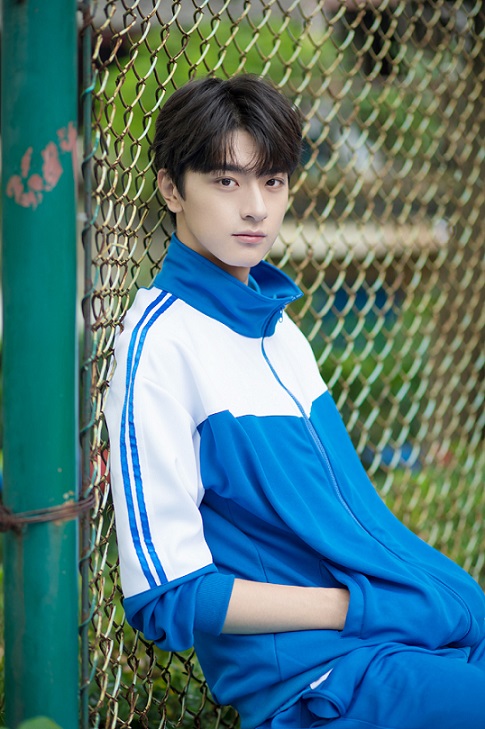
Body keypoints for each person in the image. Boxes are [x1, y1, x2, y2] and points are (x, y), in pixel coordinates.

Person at [104, 75, 485, 729]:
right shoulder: (159, 345)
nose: (256, 207)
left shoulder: (280, 331)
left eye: (273, 181)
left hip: (407, 636)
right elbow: (168, 595)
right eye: (226, 181)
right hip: (321, 680)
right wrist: (361, 606)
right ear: (172, 188)